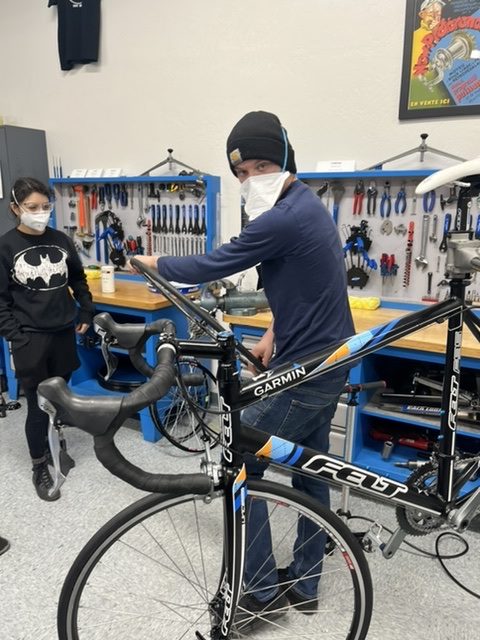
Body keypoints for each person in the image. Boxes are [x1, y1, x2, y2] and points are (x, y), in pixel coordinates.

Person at [131, 111, 354, 627]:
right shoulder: (306, 206)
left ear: (286, 160)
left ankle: (259, 594)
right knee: (309, 469)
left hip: (309, 372)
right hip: (326, 359)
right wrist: (275, 331)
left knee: (242, 467)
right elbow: (309, 289)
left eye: (261, 166)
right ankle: (306, 582)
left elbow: (210, 265)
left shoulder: (282, 217)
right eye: (242, 173)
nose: (252, 179)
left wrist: (153, 263)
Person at [0, 178, 94, 502]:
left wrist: (86, 311)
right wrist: (16, 337)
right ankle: (39, 464)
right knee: (38, 407)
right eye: (32, 207)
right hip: (30, 338)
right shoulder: (5, 247)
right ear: (16, 208)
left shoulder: (61, 240)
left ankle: (56, 445)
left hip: (63, 333)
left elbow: (78, 278)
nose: (40, 212)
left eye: (45, 206)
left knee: (59, 400)